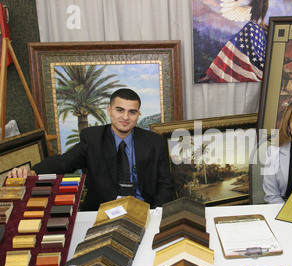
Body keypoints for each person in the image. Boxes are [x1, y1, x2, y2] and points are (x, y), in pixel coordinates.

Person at [8, 88, 174, 211]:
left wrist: (156, 212)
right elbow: (64, 162)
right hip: (101, 212)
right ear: (109, 110)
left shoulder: (155, 142)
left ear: (138, 114)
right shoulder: (93, 138)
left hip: (143, 210)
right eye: (119, 110)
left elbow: (165, 184)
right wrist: (32, 172)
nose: (125, 117)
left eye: (132, 112)